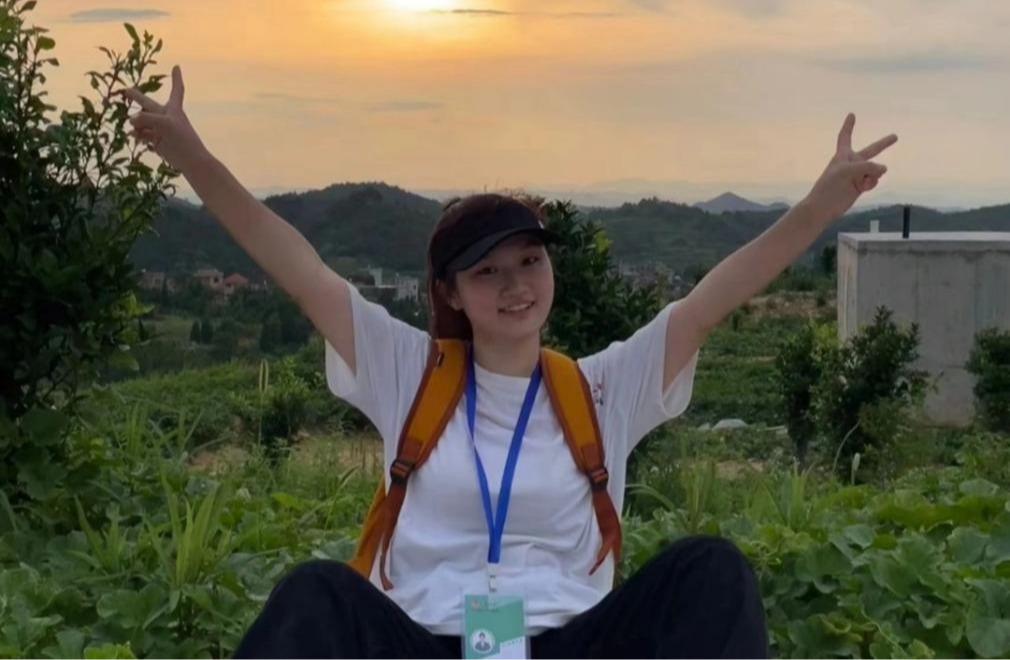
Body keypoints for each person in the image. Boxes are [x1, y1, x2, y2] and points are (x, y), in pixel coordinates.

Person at [120, 66, 896, 659]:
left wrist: (820, 209)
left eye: (529, 261)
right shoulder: (408, 371)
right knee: (314, 594)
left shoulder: (602, 386)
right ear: (451, 292)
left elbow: (710, 301)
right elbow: (297, 266)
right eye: (487, 271)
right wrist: (192, 156)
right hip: (426, 640)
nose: (515, 285)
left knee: (712, 572)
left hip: (569, 639)